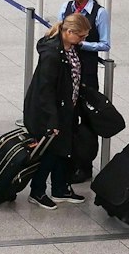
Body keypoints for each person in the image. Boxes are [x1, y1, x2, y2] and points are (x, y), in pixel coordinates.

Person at [25, 12, 91, 209]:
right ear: (69, 32)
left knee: (64, 149)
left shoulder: (69, 47)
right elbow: (45, 90)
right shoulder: (52, 55)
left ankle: (60, 188)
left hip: (66, 107)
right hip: (51, 111)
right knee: (50, 152)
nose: (82, 40)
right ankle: (37, 191)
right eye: (81, 36)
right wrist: (52, 120)